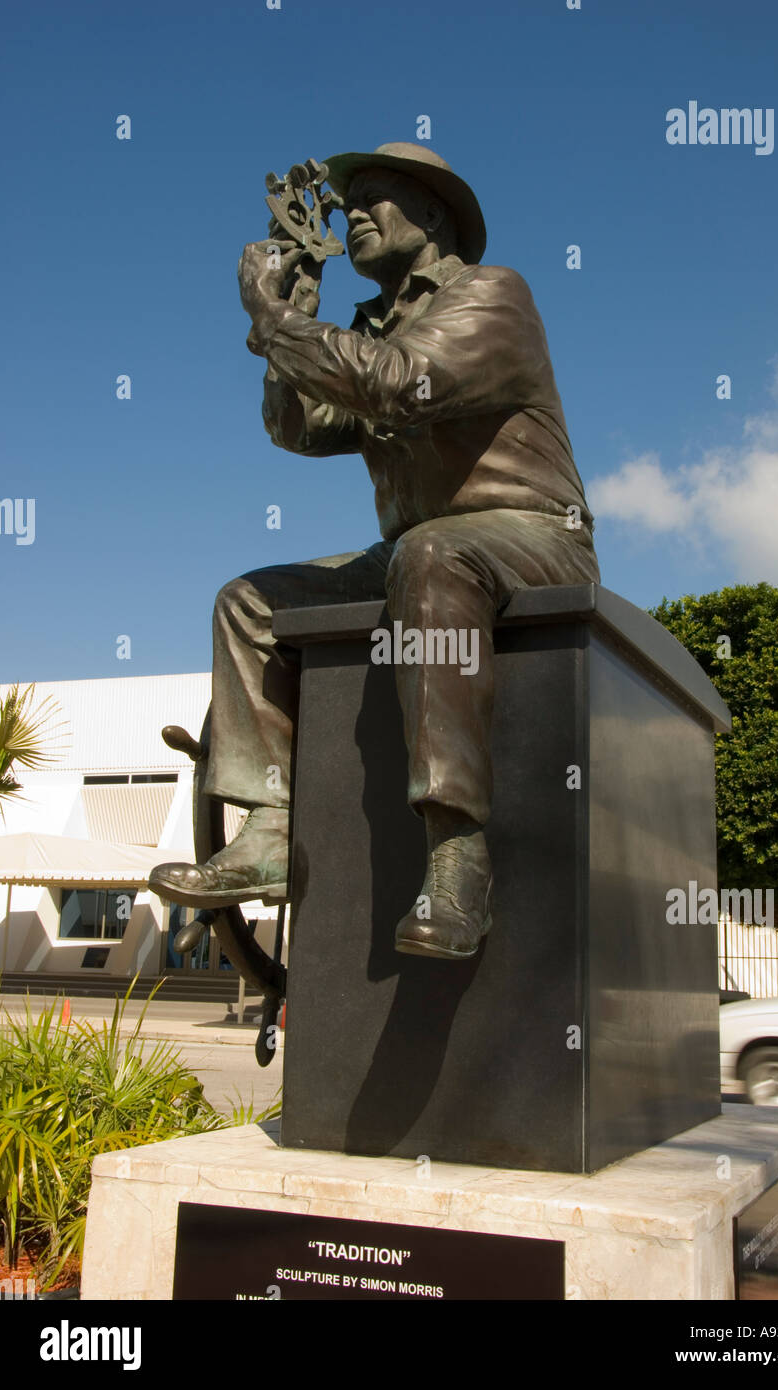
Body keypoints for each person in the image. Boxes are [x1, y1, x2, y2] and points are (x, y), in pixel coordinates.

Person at [149, 142, 600, 961]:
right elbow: (300, 431)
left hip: (535, 532)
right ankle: (272, 828)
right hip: (418, 551)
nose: (354, 212)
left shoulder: (493, 296)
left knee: (429, 555)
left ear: (433, 216)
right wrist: (293, 331)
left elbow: (398, 382)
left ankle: (458, 858)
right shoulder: (365, 328)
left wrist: (279, 324)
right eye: (348, 201)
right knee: (250, 601)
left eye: (378, 197)